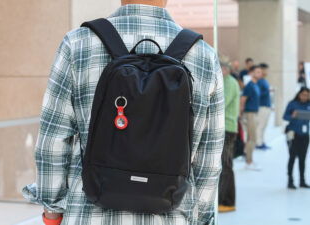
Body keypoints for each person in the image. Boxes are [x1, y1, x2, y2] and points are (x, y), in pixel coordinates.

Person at [22, 1, 224, 225]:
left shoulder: (78, 43)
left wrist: (52, 210)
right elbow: (209, 158)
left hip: (89, 213)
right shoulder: (204, 56)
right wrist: (203, 217)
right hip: (172, 214)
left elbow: (53, 140)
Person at [218, 59, 240, 213]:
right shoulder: (227, 81)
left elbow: (221, 103)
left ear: (225, 69)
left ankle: (227, 201)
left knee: (226, 165)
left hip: (227, 128)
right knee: (223, 165)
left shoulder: (230, 82)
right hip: (225, 128)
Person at [283, 87, 310, 189]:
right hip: (293, 134)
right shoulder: (292, 104)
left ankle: (302, 181)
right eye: (303, 94)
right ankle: (290, 180)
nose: (305, 97)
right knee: (292, 157)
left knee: (303, 159)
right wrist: (292, 116)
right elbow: (285, 116)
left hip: (305, 135)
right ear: (299, 94)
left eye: (307, 95)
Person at [240, 65, 262, 171]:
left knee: (251, 138)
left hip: (254, 113)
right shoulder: (249, 85)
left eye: (260, 72)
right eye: (257, 72)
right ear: (252, 73)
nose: (260, 74)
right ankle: (249, 161)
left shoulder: (256, 85)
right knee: (252, 139)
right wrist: (241, 113)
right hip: (249, 114)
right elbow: (243, 99)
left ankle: (249, 160)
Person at [256, 63, 272, 150]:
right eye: (266, 70)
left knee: (264, 126)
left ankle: (262, 141)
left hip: (266, 106)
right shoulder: (259, 81)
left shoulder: (264, 80)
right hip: (261, 107)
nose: (267, 71)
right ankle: (258, 143)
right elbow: (257, 94)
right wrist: (267, 91)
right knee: (260, 126)